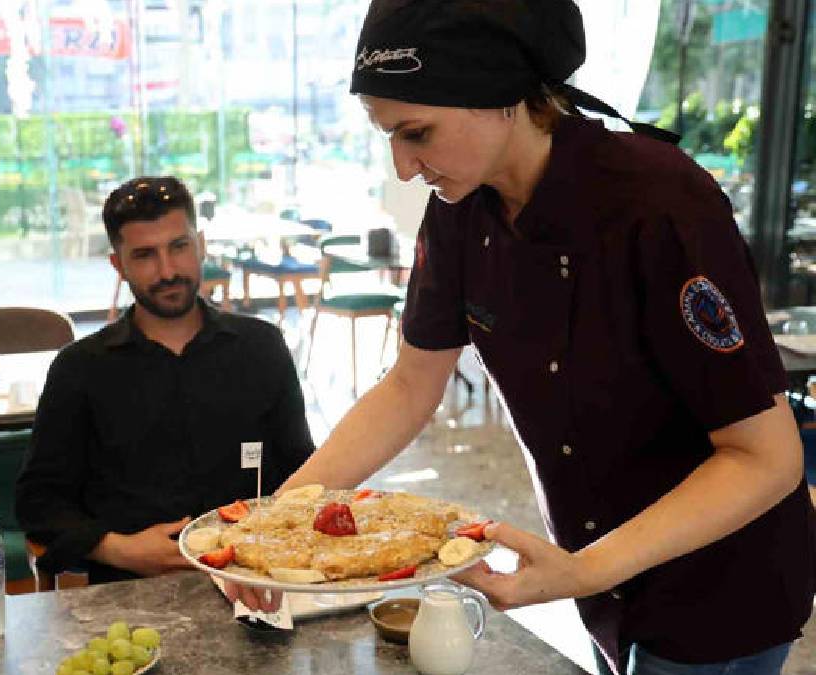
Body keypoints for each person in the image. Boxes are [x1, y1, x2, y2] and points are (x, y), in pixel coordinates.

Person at [228, 2, 816, 673]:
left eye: (416, 132)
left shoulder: (660, 205)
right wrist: (274, 524)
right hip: (599, 575)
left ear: (502, 94)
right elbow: (409, 386)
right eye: (386, 134)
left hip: (718, 587)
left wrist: (585, 568)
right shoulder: (462, 209)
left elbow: (765, 456)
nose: (402, 166)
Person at [14, 176, 315, 584]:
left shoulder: (262, 348)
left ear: (201, 244)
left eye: (179, 247)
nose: (168, 271)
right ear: (118, 265)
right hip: (128, 593)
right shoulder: (80, 368)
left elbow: (302, 474)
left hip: (255, 584)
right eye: (144, 255)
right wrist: (117, 549)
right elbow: (38, 502)